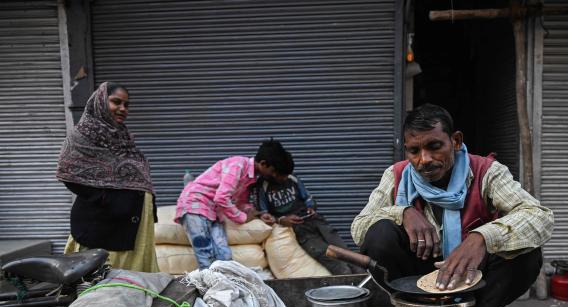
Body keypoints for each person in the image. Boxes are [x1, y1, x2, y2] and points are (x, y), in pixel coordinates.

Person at [351, 103, 554, 307]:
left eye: (434, 147)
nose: (424, 160)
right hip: (418, 276)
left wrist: (483, 237)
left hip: (472, 276)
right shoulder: (396, 175)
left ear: (455, 141)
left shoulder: (486, 172)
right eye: (414, 151)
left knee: (528, 252)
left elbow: (539, 216)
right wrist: (402, 212)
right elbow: (359, 227)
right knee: (379, 234)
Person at [56, 82, 159, 272]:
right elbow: (67, 171)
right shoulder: (83, 134)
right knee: (103, 284)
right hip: (103, 225)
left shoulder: (123, 136)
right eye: (116, 102)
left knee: (131, 285)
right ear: (101, 102)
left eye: (126, 105)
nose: (122, 109)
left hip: (131, 224)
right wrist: (106, 199)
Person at [174, 139, 289, 269]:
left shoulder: (251, 178)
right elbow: (221, 197)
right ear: (263, 164)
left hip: (214, 212)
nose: (273, 176)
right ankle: (210, 288)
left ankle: (226, 286)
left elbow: (241, 203)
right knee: (205, 254)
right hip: (195, 205)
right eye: (273, 172)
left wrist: (256, 214)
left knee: (224, 255)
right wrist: (243, 218)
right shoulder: (238, 165)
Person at [256, 151, 362, 275]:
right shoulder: (263, 187)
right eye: (282, 176)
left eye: (287, 175)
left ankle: (363, 277)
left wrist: (311, 207)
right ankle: (349, 281)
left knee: (342, 248)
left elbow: (308, 198)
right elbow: (265, 215)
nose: (285, 178)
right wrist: (281, 219)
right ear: (273, 173)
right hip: (299, 229)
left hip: (314, 220)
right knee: (326, 255)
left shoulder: (292, 179)